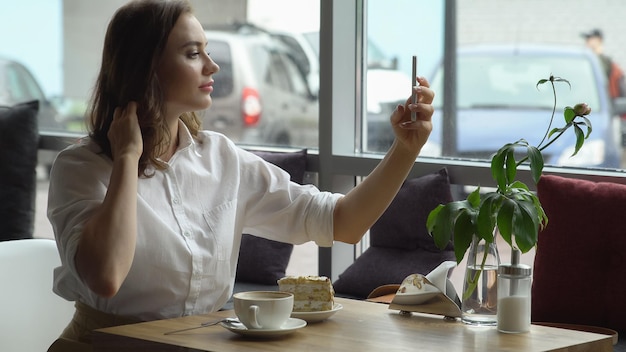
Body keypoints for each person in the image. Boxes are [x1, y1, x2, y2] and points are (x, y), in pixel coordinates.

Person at [46, 0, 434, 348]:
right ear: (145, 67)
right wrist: (128, 158)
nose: (212, 66)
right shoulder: (81, 167)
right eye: (192, 53)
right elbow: (106, 277)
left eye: (207, 52)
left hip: (199, 343)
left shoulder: (221, 158)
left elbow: (343, 222)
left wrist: (405, 149)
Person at [581, 28, 626, 99]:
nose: (587, 42)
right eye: (587, 39)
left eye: (590, 38)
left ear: (599, 40)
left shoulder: (609, 65)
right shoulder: (584, 63)